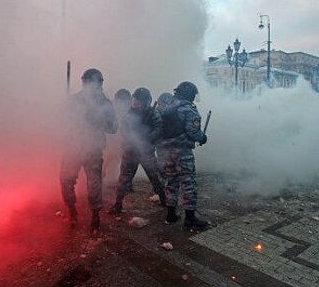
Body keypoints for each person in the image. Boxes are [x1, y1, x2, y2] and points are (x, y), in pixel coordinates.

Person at [60, 68, 117, 235]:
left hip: (92, 148)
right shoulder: (73, 101)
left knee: (93, 183)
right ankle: (73, 211)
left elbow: (113, 128)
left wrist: (100, 119)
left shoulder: (105, 104)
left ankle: (94, 217)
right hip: (74, 147)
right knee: (67, 180)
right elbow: (62, 122)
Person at [157, 81, 209, 229]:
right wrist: (202, 137)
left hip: (167, 152)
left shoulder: (167, 107)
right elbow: (193, 132)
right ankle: (190, 218)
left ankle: (171, 214)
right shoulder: (188, 109)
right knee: (189, 184)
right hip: (183, 153)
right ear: (190, 94)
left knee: (171, 183)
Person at [109, 88, 166, 216]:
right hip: (130, 152)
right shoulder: (128, 113)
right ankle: (117, 205)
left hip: (146, 152)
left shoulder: (153, 113)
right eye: (135, 100)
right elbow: (123, 130)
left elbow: (158, 129)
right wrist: (133, 140)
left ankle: (164, 200)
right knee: (124, 180)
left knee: (155, 178)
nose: (136, 103)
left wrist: (146, 139)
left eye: (139, 101)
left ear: (146, 101)